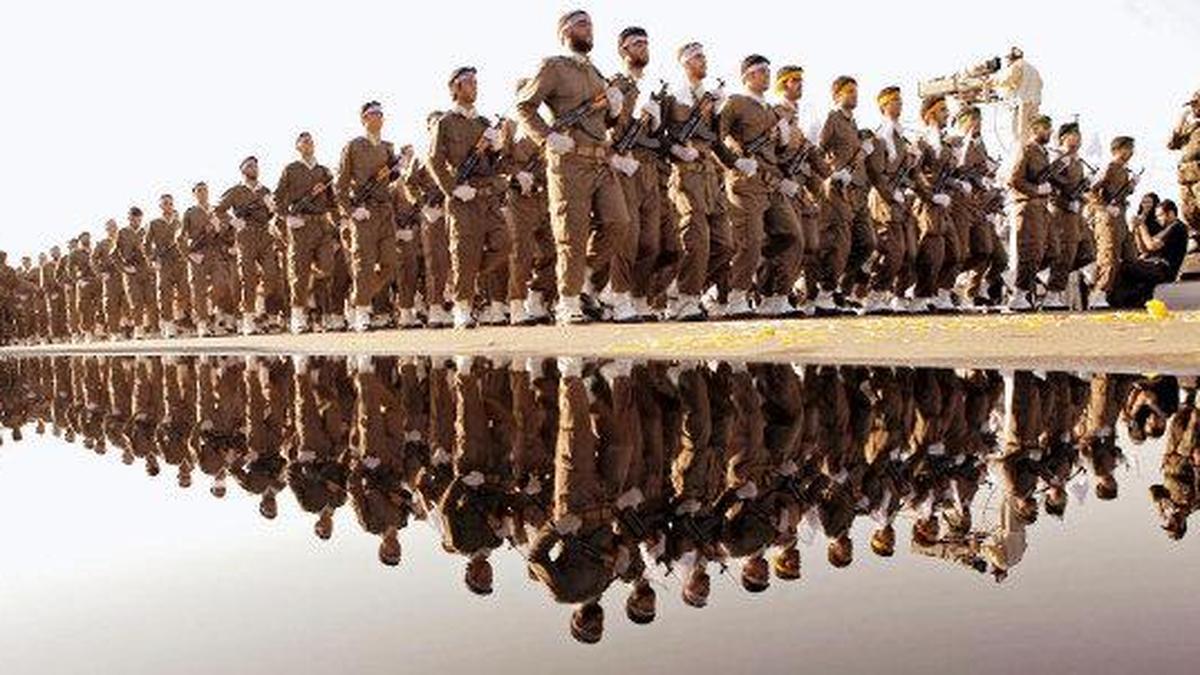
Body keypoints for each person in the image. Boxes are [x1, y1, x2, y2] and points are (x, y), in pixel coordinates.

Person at [515, 10, 634, 324]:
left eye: (590, 24)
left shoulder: (596, 73)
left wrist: (614, 110)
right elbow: (524, 107)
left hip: (599, 159)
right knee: (572, 232)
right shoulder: (553, 66)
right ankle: (568, 302)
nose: (589, 29)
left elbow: (604, 122)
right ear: (565, 32)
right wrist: (547, 137)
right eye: (581, 24)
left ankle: (585, 275)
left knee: (619, 222)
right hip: (569, 161)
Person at [718, 54, 803, 317]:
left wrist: (784, 143)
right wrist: (735, 161)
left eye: (768, 71)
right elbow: (716, 138)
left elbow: (776, 152)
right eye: (761, 71)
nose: (767, 75)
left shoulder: (770, 110)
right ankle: (735, 296)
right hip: (745, 182)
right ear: (748, 76)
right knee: (750, 242)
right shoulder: (735, 103)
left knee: (791, 236)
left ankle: (773, 295)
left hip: (771, 183)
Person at [427, 66, 511, 329]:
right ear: (455, 88)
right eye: (468, 82)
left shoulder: (484, 123)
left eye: (475, 82)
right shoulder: (445, 122)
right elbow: (434, 161)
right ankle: (462, 306)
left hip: (487, 196)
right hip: (463, 197)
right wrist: (452, 189)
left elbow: (495, 163)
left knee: (504, 244)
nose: (474, 86)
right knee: (463, 252)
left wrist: (497, 147)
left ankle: (468, 277)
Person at [336, 101, 401, 332]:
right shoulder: (353, 146)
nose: (378, 117)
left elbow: (391, 178)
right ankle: (362, 310)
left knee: (390, 263)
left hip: (385, 210)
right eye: (373, 114)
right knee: (363, 263)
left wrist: (396, 171)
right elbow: (341, 184)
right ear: (364, 118)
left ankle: (359, 295)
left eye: (380, 114)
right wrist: (351, 211)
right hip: (363, 211)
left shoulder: (387, 147)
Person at [275, 131, 338, 334]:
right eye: (303, 141)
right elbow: (277, 198)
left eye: (310, 141)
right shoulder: (291, 169)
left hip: (321, 224)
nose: (308, 143)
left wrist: (339, 223)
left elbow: (333, 201)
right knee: (299, 272)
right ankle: (298, 316)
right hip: (300, 225)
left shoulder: (324, 171)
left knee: (327, 266)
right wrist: (287, 217)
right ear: (297, 147)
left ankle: (315, 304)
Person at [1006, 115, 1055, 311]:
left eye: (1050, 128)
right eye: (1045, 128)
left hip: (1042, 207)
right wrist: (1036, 190)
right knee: (1030, 251)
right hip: (1028, 206)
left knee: (1051, 250)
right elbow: (1014, 179)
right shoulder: (1026, 150)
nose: (1049, 132)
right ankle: (1019, 293)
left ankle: (1029, 284)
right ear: (1035, 130)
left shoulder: (1044, 153)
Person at [144, 194, 190, 337]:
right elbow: (146, 244)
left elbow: (187, 239)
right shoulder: (154, 223)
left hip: (180, 261)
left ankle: (181, 319)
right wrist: (152, 260)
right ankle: (168, 323)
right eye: (165, 203)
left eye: (170, 203)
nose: (168, 206)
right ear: (160, 206)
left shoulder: (179, 223)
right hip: (164, 263)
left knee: (185, 292)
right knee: (165, 294)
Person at [991, 46, 1043, 148]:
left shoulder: (1017, 65)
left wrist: (992, 81)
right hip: (1035, 102)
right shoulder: (1032, 68)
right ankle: (1032, 149)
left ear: (1010, 58)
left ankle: (1022, 150)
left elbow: (1008, 80)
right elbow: (1040, 83)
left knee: (1020, 130)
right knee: (1032, 128)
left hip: (1023, 102)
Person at [1168, 89, 1200, 232]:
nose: (1193, 108)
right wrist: (1180, 122)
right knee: (1189, 212)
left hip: (1198, 173)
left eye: (1196, 105)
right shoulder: (1189, 127)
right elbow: (1171, 144)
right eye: (1192, 105)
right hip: (1185, 176)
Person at [1137, 199, 1189, 281]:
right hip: (1158, 267)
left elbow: (1152, 246)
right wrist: (1137, 231)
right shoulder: (1166, 229)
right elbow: (1145, 249)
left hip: (1165, 270)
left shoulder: (1177, 227)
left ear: (1170, 213)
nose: (1158, 219)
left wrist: (1142, 225)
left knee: (1126, 268)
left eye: (1160, 215)